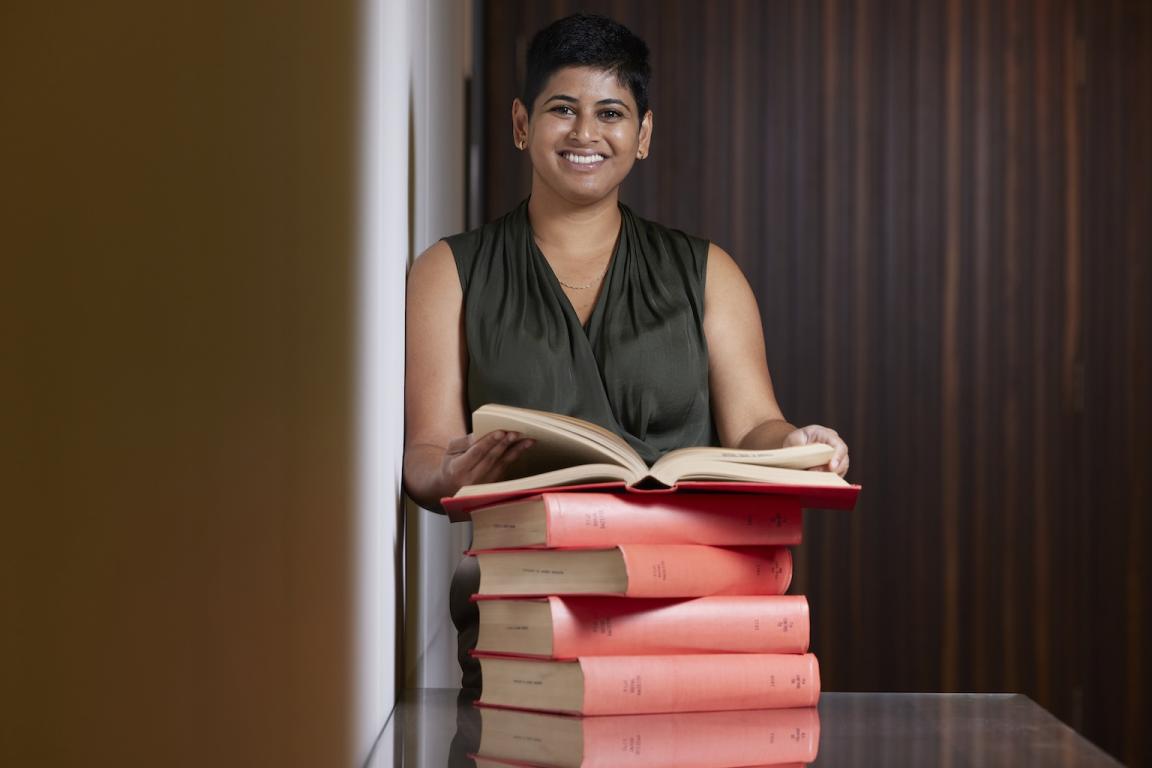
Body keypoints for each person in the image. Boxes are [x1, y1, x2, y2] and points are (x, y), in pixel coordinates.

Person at [403, 13, 849, 692]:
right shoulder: (448, 273)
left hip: (689, 607)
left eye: (610, 112)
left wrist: (797, 441)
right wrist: (447, 472)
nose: (585, 133)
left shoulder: (708, 273)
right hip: (530, 611)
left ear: (642, 135)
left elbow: (756, 425)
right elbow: (427, 453)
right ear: (523, 124)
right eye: (562, 110)